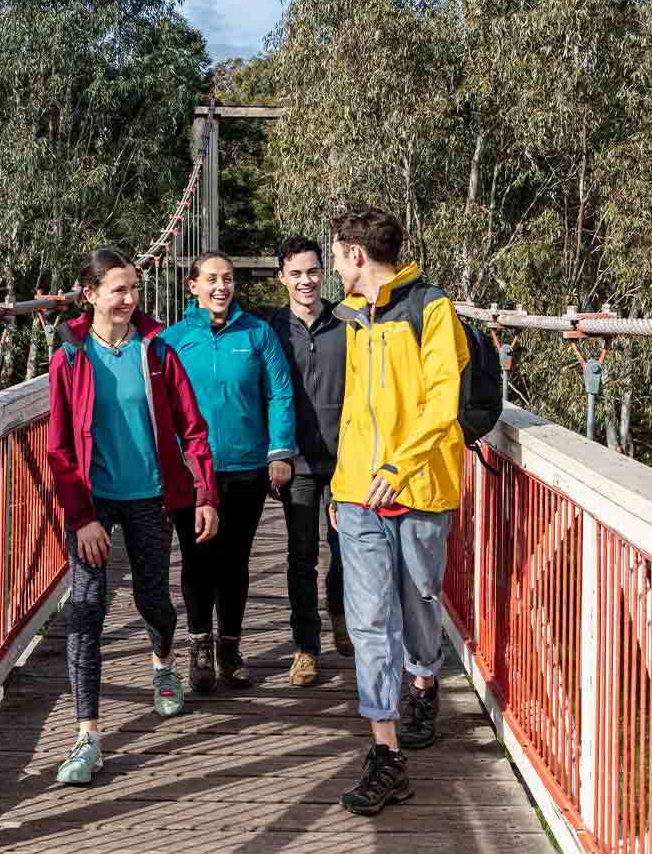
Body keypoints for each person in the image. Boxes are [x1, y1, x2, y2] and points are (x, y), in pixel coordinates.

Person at [45, 248, 220, 786]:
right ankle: (87, 736)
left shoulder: (158, 351)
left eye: (133, 289)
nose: (129, 299)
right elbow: (57, 449)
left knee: (152, 599)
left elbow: (192, 428)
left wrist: (206, 493)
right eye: (118, 289)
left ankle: (162, 663)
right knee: (85, 609)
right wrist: (81, 518)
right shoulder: (70, 357)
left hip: (148, 494)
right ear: (90, 295)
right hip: (93, 503)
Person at [326, 204, 468, 816]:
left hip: (418, 489)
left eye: (335, 254)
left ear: (356, 255)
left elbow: (444, 402)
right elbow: (355, 413)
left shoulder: (431, 310)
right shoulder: (353, 319)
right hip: (360, 495)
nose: (333, 267)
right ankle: (385, 753)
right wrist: (341, 484)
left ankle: (425, 680)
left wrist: (397, 467)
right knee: (368, 622)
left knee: (419, 603)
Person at [163, 251, 298, 692]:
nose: (221, 287)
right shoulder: (173, 340)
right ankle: (199, 646)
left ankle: (230, 648)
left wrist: (279, 451)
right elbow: (158, 406)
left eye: (228, 279)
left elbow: (280, 392)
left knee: (235, 559)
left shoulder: (257, 334)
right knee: (198, 559)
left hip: (245, 467)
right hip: (191, 472)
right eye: (212, 279)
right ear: (193, 287)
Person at [267, 235, 349, 686]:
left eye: (313, 271)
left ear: (325, 273)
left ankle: (339, 612)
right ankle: (305, 649)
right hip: (296, 462)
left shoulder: (347, 323)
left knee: (346, 551)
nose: (306, 281)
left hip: (345, 460)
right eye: (296, 273)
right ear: (282, 276)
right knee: (302, 556)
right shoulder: (271, 329)